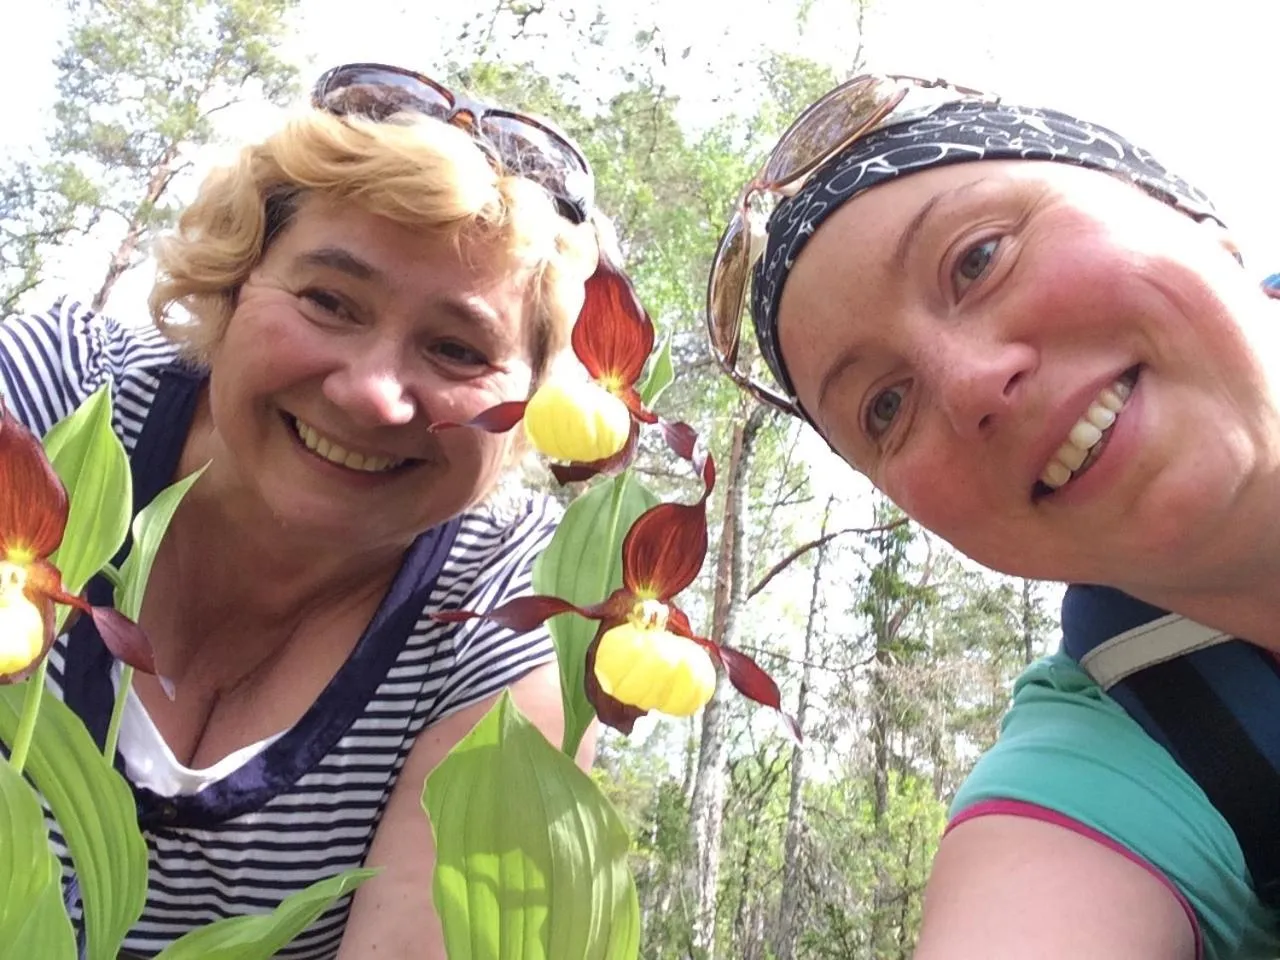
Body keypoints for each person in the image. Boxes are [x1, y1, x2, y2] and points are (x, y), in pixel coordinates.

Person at [1, 63, 602, 958]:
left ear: (536, 398)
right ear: (236, 281)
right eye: (329, 300)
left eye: (456, 348)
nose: (370, 394)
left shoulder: (513, 608)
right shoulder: (51, 400)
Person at [706, 75, 1280, 959]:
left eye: (978, 257)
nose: (972, 383)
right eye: (885, 408)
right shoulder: (1106, 757)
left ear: (1185, 210)